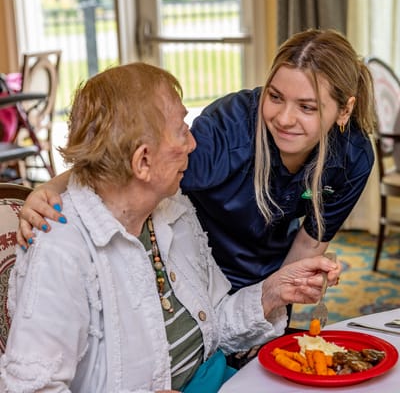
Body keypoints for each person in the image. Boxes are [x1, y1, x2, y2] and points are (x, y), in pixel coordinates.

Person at [0, 62, 340, 393]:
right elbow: (29, 387)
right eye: (182, 130)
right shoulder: (61, 247)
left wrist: (272, 292)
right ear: (143, 162)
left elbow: (214, 324)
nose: (193, 144)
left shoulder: (172, 211)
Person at [17, 28, 366, 292]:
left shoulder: (353, 157)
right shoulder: (227, 133)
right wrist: (50, 187)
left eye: (307, 107)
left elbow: (308, 242)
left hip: (270, 275)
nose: (284, 118)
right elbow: (128, 165)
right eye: (275, 96)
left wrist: (276, 298)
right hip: (200, 279)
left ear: (344, 109)